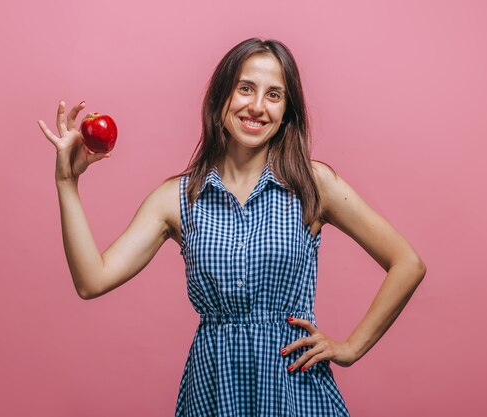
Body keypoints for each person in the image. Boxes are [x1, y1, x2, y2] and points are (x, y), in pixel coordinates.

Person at [37, 38, 426, 416]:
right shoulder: (176, 199)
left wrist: (352, 347)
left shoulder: (313, 184)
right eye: (245, 88)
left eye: (274, 95)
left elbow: (407, 262)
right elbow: (92, 281)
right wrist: (67, 184)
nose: (257, 106)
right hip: (212, 389)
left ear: (287, 111)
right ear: (221, 96)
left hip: (294, 389)